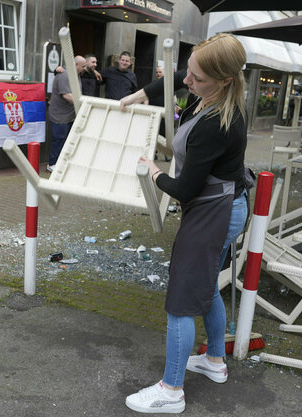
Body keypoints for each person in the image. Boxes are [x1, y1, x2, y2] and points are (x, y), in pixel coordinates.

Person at [119, 33, 249, 414]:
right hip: (226, 203)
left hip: (214, 210)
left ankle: (171, 390)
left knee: (181, 299)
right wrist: (137, 96)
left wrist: (154, 172)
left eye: (196, 78)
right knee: (206, 285)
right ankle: (213, 361)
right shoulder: (214, 89)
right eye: (189, 72)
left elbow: (185, 190)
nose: (187, 82)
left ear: (222, 80)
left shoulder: (216, 125)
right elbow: (174, 78)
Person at [48, 55, 86, 172]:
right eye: (83, 66)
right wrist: (84, 102)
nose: (84, 68)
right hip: (59, 116)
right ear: (75, 65)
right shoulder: (64, 75)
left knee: (65, 140)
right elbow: (66, 95)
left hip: (69, 115)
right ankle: (52, 164)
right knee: (59, 139)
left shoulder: (76, 75)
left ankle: (60, 162)